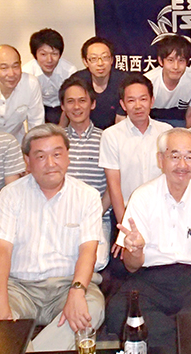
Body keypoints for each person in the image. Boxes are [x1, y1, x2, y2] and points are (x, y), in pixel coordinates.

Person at [106, 128, 191, 354]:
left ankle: (172, 342)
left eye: (189, 157)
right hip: (150, 278)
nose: (182, 165)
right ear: (161, 159)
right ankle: (182, 341)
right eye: (175, 156)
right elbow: (131, 266)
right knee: (119, 310)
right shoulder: (143, 196)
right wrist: (135, 251)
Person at [0, 124, 104, 351]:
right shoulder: (10, 195)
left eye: (57, 154)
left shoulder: (87, 196)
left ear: (67, 157)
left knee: (91, 309)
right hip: (20, 288)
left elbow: (88, 251)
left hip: (67, 284)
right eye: (41, 156)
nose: (51, 163)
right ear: (27, 161)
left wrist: (77, 291)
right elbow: (2, 250)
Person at [99, 73, 172, 231]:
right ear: (123, 104)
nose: (138, 106)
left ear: (152, 101)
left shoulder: (166, 132)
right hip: (126, 212)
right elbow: (114, 185)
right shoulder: (111, 135)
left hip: (162, 213)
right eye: (131, 100)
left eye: (143, 99)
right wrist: (125, 228)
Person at [59, 76, 111, 271]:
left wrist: (95, 214)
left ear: (92, 103)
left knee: (96, 262)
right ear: (63, 106)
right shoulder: (55, 140)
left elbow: (113, 186)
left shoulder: (107, 139)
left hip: (97, 217)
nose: (76, 107)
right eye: (70, 101)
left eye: (82, 100)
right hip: (59, 216)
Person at [22, 28, 76, 124]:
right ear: (35, 55)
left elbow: (71, 101)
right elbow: (29, 106)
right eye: (43, 54)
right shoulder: (27, 73)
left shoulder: (69, 71)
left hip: (63, 108)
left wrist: (61, 128)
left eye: (54, 54)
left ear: (60, 55)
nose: (49, 60)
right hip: (38, 107)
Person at [145, 36, 191, 127]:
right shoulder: (148, 81)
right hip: (153, 121)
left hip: (180, 121)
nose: (176, 66)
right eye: (170, 60)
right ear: (161, 61)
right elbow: (143, 116)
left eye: (181, 60)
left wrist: (189, 135)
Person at [73, 37, 126, 129]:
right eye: (94, 59)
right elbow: (70, 112)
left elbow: (121, 121)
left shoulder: (124, 81)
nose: (100, 63)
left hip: (115, 131)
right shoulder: (77, 81)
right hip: (86, 131)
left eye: (105, 57)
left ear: (112, 60)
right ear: (85, 62)